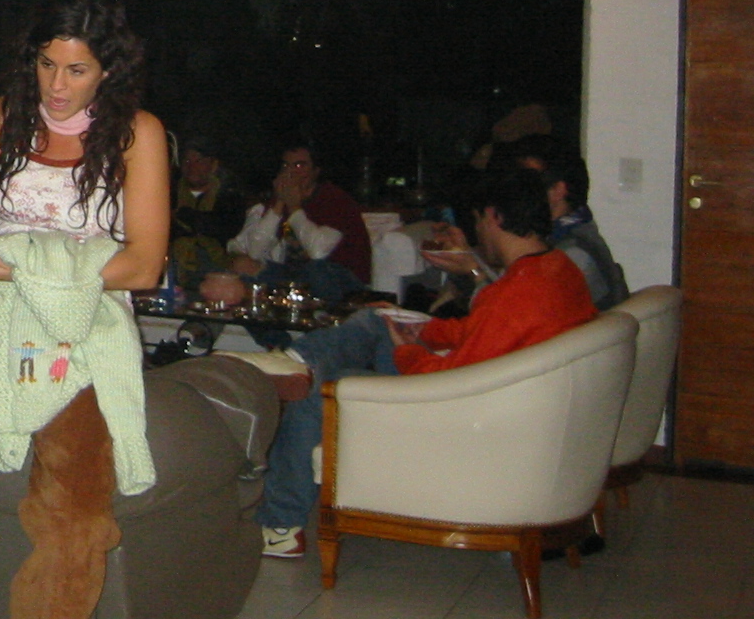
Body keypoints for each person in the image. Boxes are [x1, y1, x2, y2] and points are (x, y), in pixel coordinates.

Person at [0, 0, 168, 619]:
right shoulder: (7, 114)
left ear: (108, 70)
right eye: (46, 64)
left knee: (73, 515)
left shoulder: (137, 134)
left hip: (80, 339)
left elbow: (144, 266)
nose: (57, 86)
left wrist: (29, 274)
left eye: (77, 70)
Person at [254, 165, 597, 559]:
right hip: (502, 401)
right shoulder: (558, 270)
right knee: (378, 319)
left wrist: (407, 351)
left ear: (494, 217)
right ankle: (295, 359)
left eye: (476, 221)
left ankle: (279, 526)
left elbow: (451, 378)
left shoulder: (515, 293)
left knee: (321, 389)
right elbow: (482, 332)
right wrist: (423, 329)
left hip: (461, 416)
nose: (476, 232)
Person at [423, 136, 629, 313]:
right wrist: (463, 257)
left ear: (558, 191)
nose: (517, 187)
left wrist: (472, 271)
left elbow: (511, 317)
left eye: (529, 180)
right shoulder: (558, 236)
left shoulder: (574, 255)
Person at [200, 140, 371, 307]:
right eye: (286, 166)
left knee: (316, 269)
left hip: (340, 278)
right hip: (295, 276)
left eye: (299, 166)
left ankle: (324, 316)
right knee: (242, 267)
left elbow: (318, 252)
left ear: (315, 171)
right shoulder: (278, 202)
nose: (291, 172)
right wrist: (279, 204)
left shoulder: (334, 200)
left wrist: (295, 208)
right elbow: (255, 251)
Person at [168, 134, 247, 289]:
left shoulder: (228, 196)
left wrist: (184, 215)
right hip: (175, 265)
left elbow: (226, 228)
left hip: (215, 266)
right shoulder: (169, 194)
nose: (192, 167)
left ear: (213, 165)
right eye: (187, 161)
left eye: (199, 161)